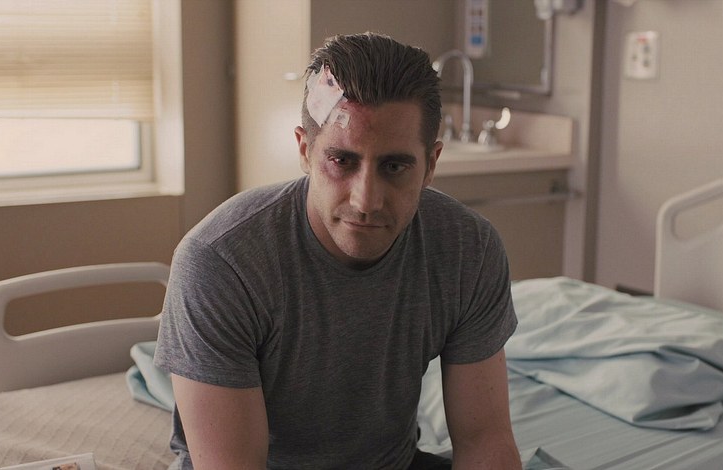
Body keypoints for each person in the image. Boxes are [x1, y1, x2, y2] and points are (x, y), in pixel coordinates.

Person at [154, 32, 521, 469]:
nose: (366, 201)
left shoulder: (467, 250)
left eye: (394, 166)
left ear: (431, 164)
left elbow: (484, 441)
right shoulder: (220, 262)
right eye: (342, 161)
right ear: (305, 151)